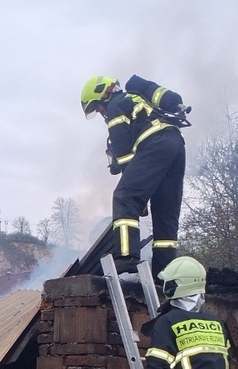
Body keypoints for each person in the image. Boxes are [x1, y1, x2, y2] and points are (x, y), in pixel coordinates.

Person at [80, 74, 189, 279]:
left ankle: (125, 256)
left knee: (124, 196)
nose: (100, 112)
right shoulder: (136, 98)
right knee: (165, 214)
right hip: (175, 145)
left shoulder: (116, 105)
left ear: (103, 94)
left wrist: (132, 184)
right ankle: (163, 273)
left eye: (97, 107)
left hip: (154, 144)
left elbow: (122, 148)